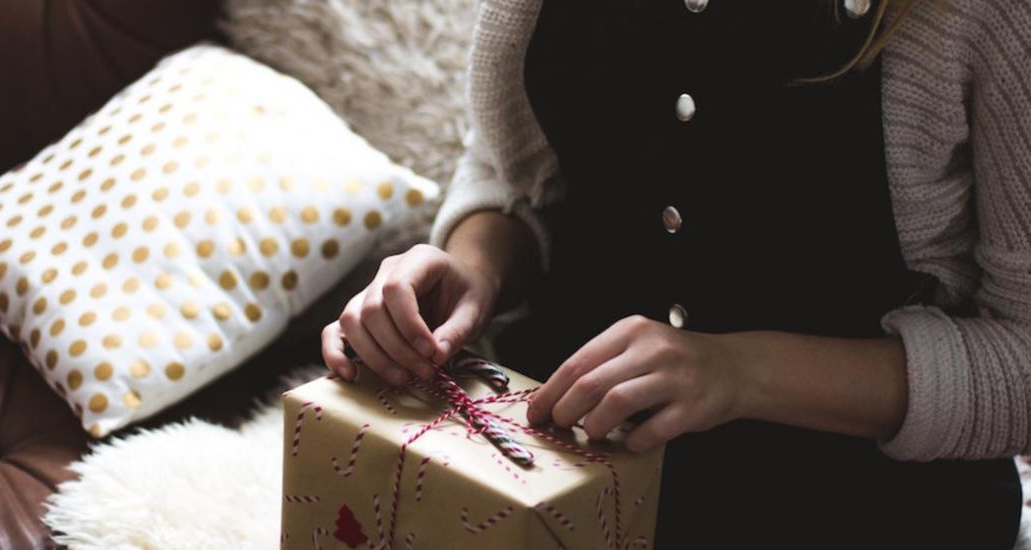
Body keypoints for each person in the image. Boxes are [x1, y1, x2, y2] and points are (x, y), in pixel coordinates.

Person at [321, 0, 1028, 547]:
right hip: (532, 483)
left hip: (860, 515)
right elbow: (515, 162)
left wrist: (738, 371)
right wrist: (475, 264)